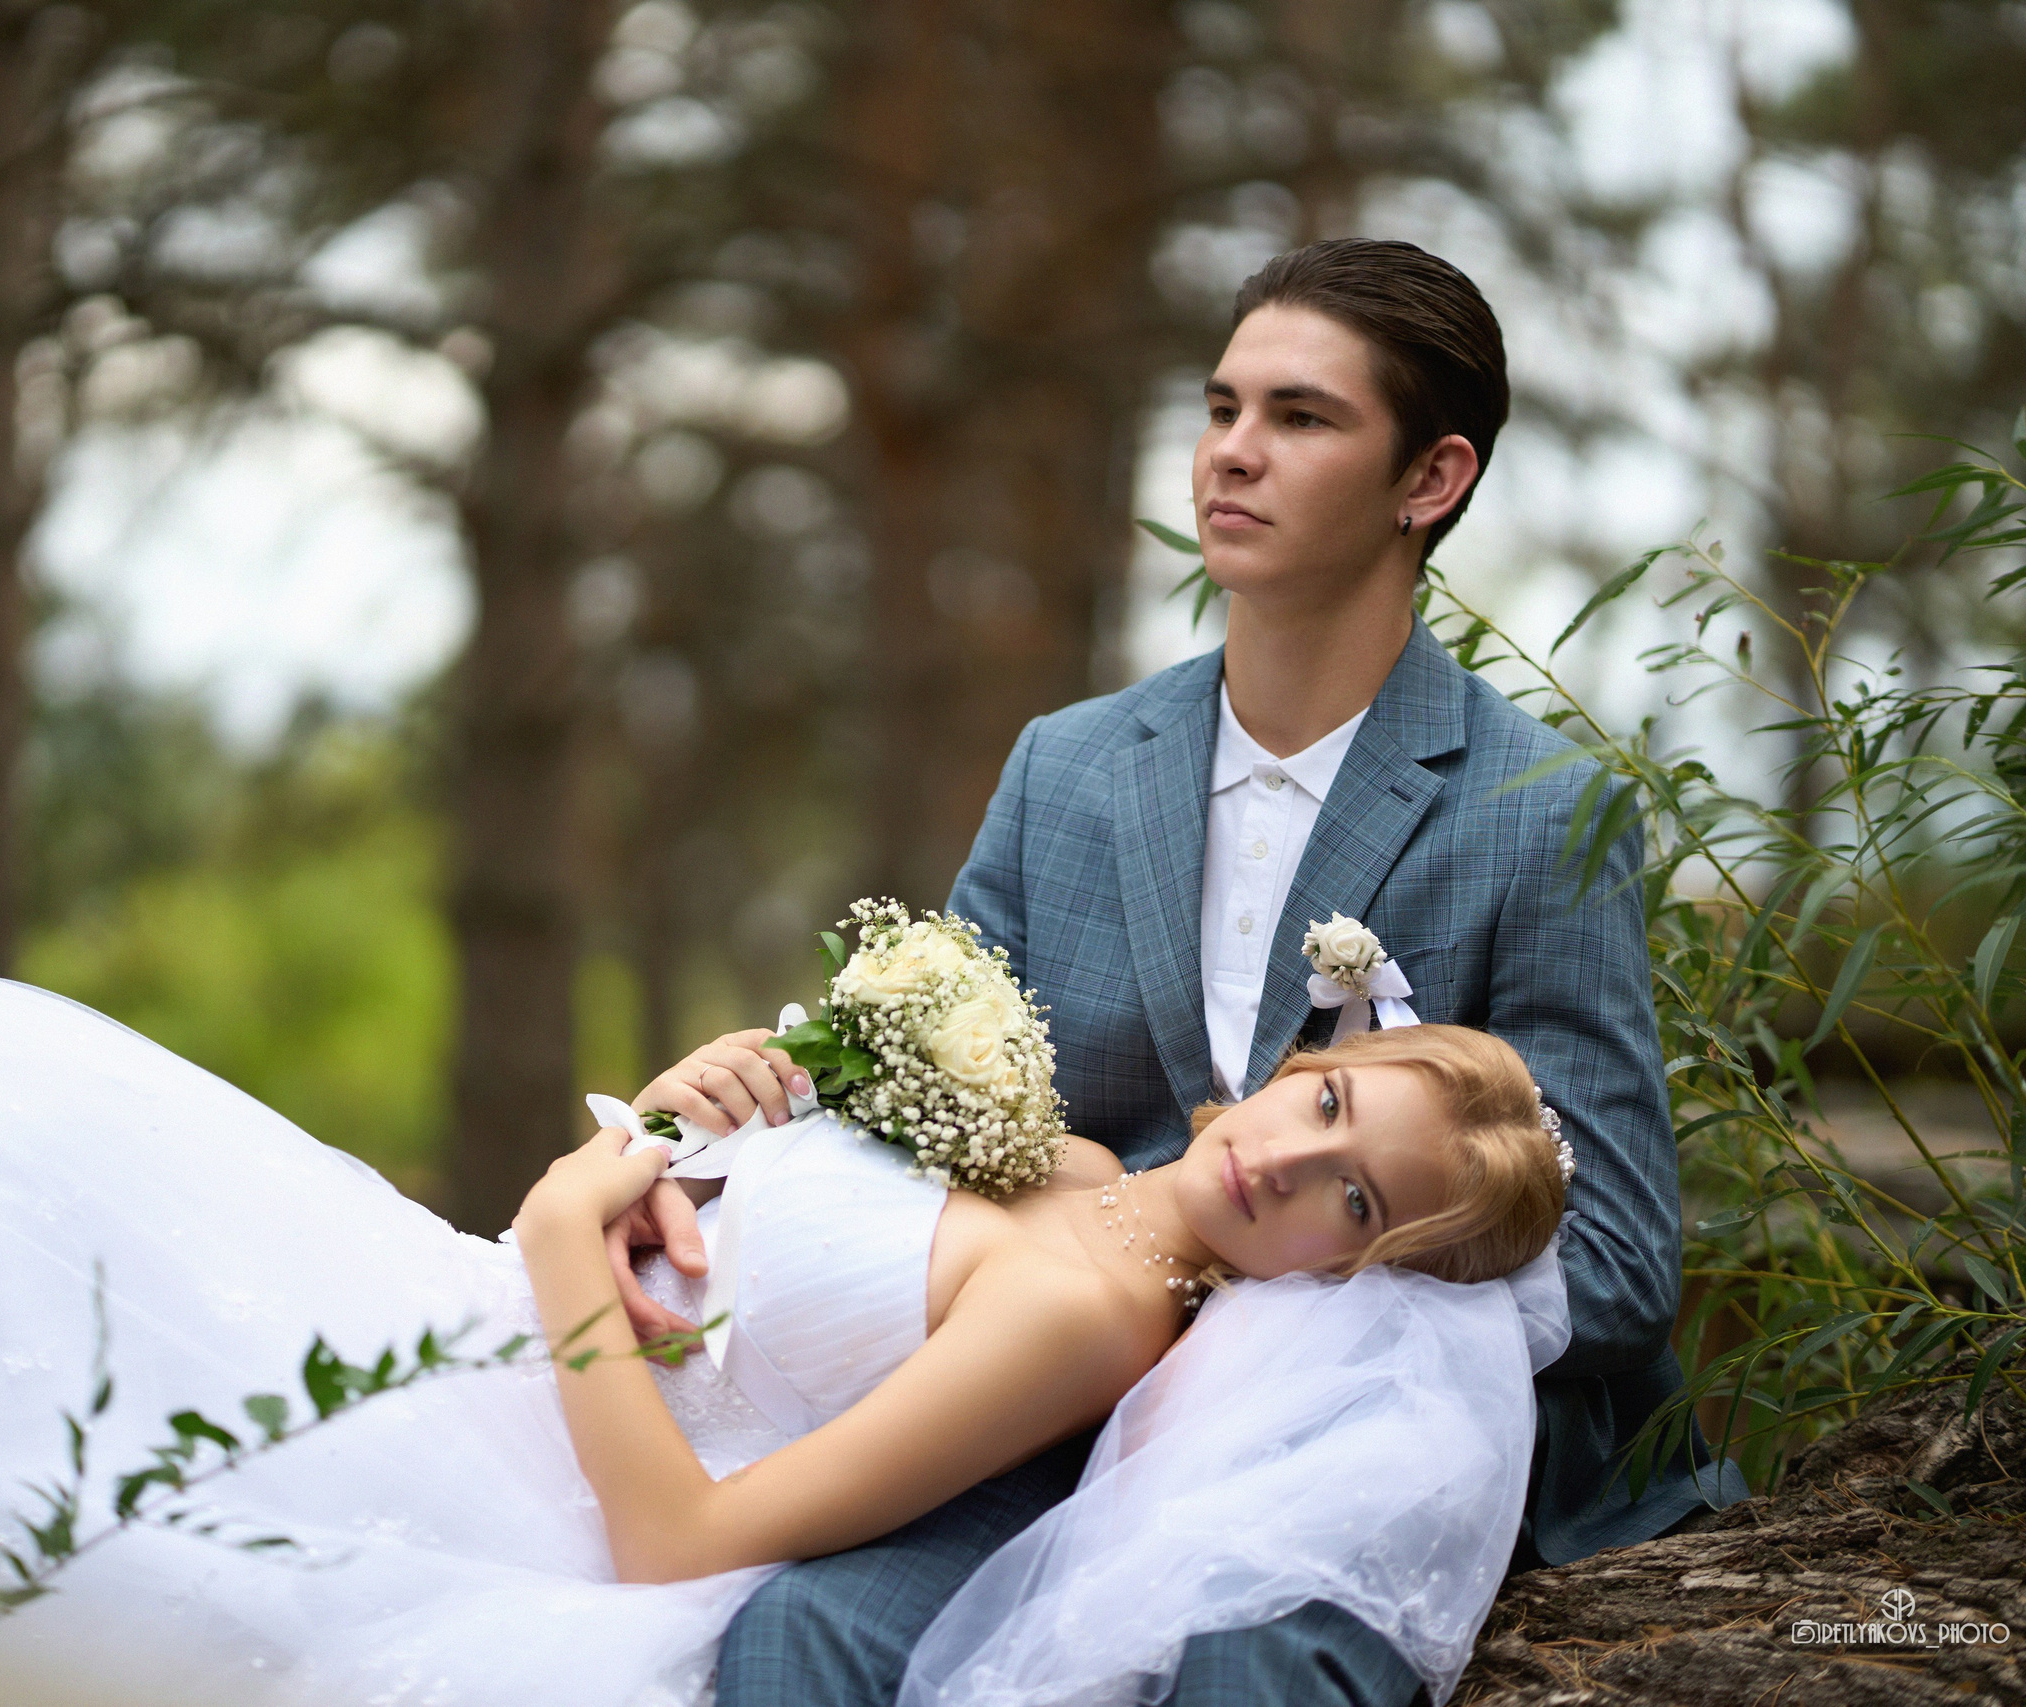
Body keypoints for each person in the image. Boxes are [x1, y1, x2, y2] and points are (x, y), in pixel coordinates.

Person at [602, 238, 1745, 1707]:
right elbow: (920, 1096)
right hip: (1043, 1406)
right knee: (801, 1639)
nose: (1234, 455)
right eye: (1222, 409)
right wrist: (732, 1112)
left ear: (1431, 480)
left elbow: (1618, 1263)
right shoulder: (1068, 768)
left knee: (1247, 1673)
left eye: (1302, 418)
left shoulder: (1540, 812)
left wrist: (1251, 1313)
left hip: (1340, 1457)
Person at [0, 971, 1564, 1705]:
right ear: (1286, 1068)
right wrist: (684, 1115)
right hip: (466, 1309)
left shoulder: (1091, 1312)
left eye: (1352, 1198)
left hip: (504, 1458)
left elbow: (681, 1539)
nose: (1289, 1168)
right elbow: (726, 1223)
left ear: (1345, 1265)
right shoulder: (1066, 1152)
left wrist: (573, 1223)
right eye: (1317, 1108)